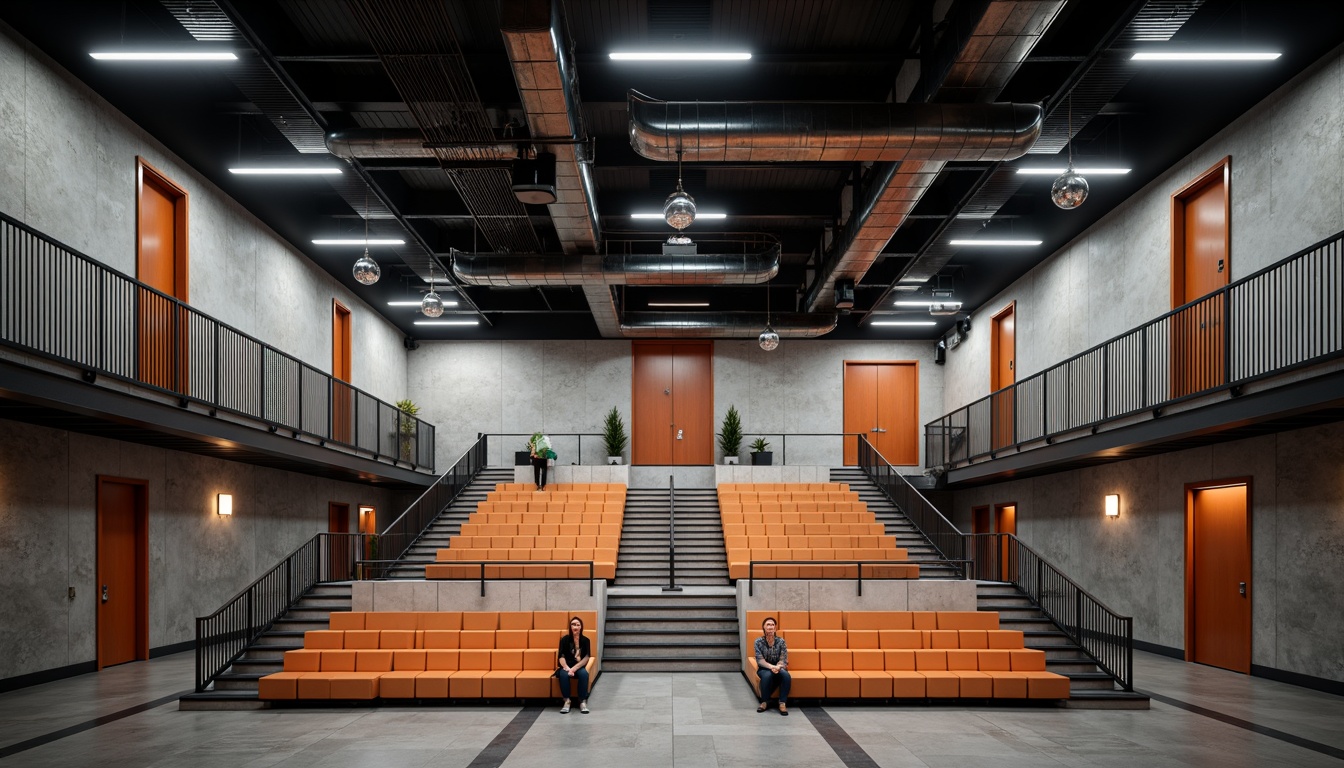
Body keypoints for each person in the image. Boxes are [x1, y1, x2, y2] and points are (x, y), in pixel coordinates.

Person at [754, 616, 791, 715]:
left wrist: (778, 667)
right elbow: (760, 660)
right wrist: (772, 667)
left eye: (772, 625)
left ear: (775, 628)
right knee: (767, 675)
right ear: (764, 627)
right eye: (768, 624)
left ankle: (782, 703)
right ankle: (764, 702)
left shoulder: (781, 641)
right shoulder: (758, 642)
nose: (770, 627)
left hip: (779, 667)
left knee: (786, 675)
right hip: (765, 668)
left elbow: (783, 658)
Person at [556, 615, 591, 714]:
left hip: (578, 666)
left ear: (581, 627)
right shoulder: (564, 639)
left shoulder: (586, 640)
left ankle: (582, 701)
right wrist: (567, 668)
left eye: (577, 625)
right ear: (570, 627)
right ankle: (567, 701)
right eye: (573, 624)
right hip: (566, 666)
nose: (575, 627)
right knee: (563, 674)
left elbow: (586, 657)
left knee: (584, 674)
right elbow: (561, 656)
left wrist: (573, 669)